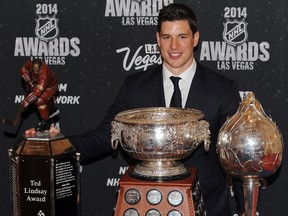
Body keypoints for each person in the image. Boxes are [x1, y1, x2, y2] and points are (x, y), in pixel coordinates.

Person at [26, 3, 242, 215]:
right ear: (158, 40)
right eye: (167, 37)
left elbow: (236, 156)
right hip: (146, 205)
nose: (174, 46)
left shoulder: (222, 89)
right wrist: (58, 145)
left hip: (207, 207)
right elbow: (105, 135)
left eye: (182, 37)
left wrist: (245, 210)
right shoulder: (135, 86)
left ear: (195, 39)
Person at [21, 59, 58, 131]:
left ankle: (45, 122)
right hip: (37, 84)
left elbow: (38, 92)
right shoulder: (29, 64)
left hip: (50, 87)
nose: (35, 71)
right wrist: (29, 82)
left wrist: (27, 101)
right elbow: (23, 70)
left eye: (37, 69)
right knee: (38, 100)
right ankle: (50, 110)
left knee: (40, 101)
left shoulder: (44, 74)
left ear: (41, 67)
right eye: (34, 68)